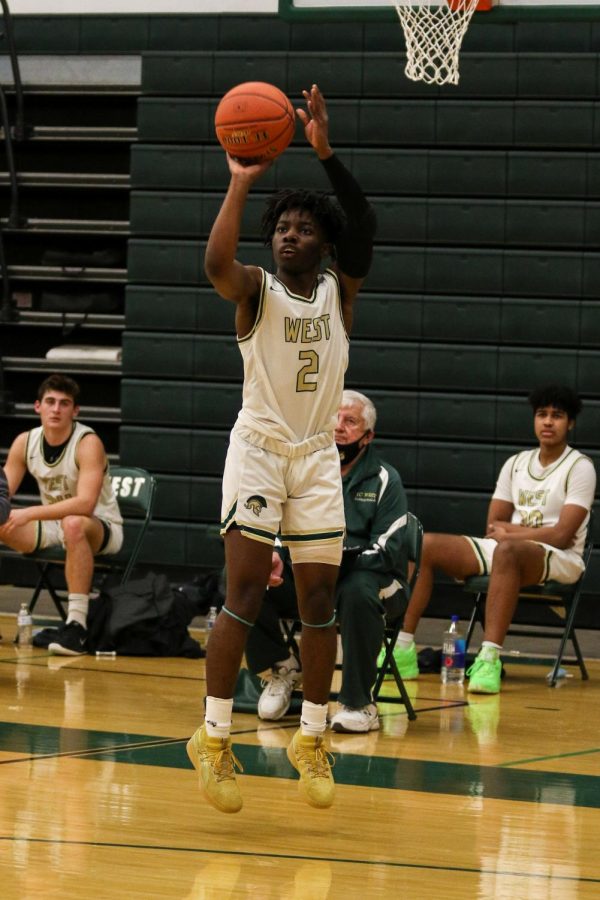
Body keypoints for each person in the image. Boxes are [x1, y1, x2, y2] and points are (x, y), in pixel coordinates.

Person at [186, 84, 376, 814]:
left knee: (319, 598)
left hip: (317, 457)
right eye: (282, 227)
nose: (289, 235)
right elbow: (214, 264)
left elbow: (363, 220)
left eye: (303, 228)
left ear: (323, 242)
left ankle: (313, 737)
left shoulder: (340, 291)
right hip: (261, 449)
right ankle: (213, 735)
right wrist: (240, 184)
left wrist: (324, 151)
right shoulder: (255, 290)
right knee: (241, 593)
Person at [393, 384, 596, 695]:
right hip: (507, 550)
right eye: (542, 414)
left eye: (557, 416)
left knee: (508, 549)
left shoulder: (580, 467)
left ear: (570, 423)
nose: (548, 422)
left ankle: (489, 659)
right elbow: (492, 524)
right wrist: (508, 535)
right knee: (426, 544)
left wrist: (512, 533)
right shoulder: (516, 463)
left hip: (562, 557)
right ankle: (403, 649)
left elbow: (561, 534)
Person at [244, 389, 409, 734]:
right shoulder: (305, 471)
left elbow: (389, 549)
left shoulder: (384, 479)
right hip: (308, 576)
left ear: (368, 436)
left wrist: (337, 561)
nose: (340, 428)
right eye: (336, 419)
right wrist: (275, 553)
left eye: (351, 422)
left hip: (368, 577)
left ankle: (358, 702)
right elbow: (277, 528)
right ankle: (283, 669)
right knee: (244, 574)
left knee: (357, 591)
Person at [0, 374, 123, 655]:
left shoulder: (88, 442)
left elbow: (85, 505)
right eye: (50, 402)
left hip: (100, 526)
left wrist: (29, 513)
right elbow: (2, 494)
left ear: (75, 411)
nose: (56, 409)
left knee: (73, 523)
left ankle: (77, 627)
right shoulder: (24, 442)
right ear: (37, 407)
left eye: (64, 403)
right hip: (53, 526)